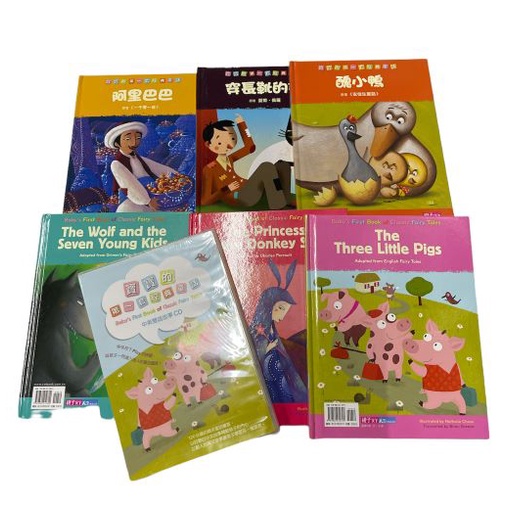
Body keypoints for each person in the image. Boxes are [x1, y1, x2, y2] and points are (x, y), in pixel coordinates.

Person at [200, 114, 291, 209]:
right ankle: (278, 205)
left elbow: (250, 147)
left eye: (232, 139)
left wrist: (241, 124)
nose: (228, 145)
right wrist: (227, 189)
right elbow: (205, 201)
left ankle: (286, 200)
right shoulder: (209, 169)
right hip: (240, 197)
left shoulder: (230, 159)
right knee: (266, 167)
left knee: (282, 165)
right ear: (208, 144)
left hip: (249, 189)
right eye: (220, 142)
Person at [249, 259, 307, 404]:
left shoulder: (271, 328)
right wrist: (268, 349)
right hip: (266, 379)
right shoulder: (257, 330)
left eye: (285, 310)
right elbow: (253, 355)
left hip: (278, 373)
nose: (282, 315)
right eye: (281, 309)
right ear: (270, 305)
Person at [104, 121, 179, 212]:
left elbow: (158, 168)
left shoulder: (139, 159)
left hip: (153, 196)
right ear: (117, 143)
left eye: (137, 138)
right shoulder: (117, 164)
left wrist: (177, 176)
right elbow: (129, 184)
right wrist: (147, 201)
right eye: (128, 138)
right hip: (135, 201)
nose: (134, 142)